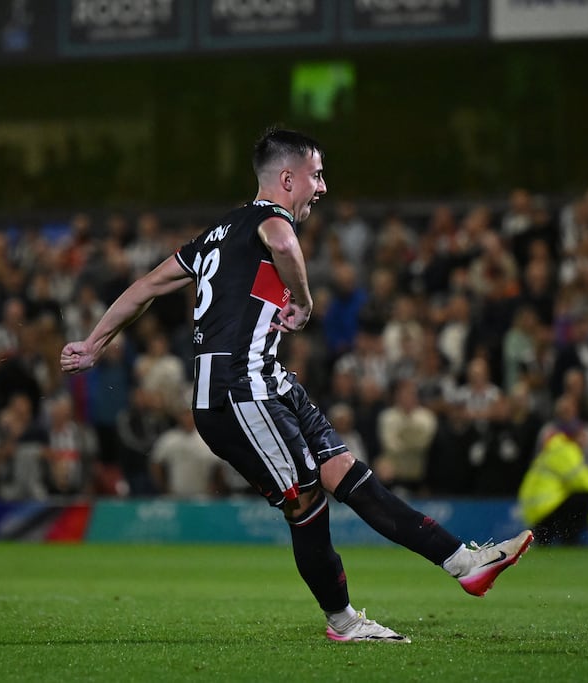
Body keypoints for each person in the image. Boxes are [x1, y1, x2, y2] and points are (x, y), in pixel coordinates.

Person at [60, 128, 533, 644]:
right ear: (287, 178)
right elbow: (283, 241)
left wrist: (93, 342)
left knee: (350, 476)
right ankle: (344, 623)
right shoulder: (273, 221)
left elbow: (149, 285)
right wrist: (305, 303)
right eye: (317, 175)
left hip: (269, 382)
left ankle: (465, 563)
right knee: (306, 501)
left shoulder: (218, 233)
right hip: (239, 392)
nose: (323, 188)